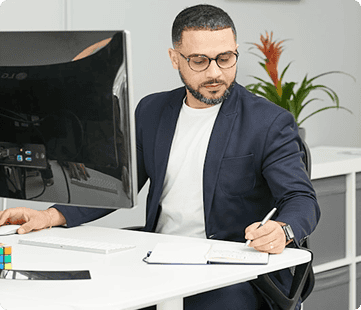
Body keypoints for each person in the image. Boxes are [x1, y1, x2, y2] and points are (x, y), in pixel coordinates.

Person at [0, 4, 320, 309]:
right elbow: (120, 186)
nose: (215, 72)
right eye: (199, 60)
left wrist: (283, 230)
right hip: (158, 256)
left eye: (225, 58)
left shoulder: (268, 121)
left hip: (234, 270)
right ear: (174, 58)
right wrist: (50, 216)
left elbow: (300, 198)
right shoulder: (152, 111)